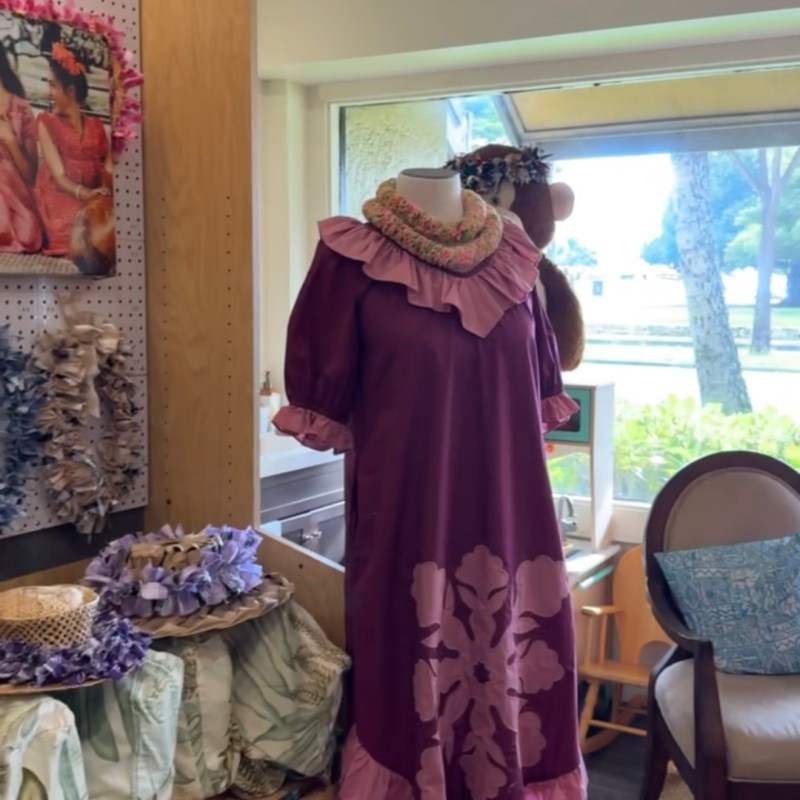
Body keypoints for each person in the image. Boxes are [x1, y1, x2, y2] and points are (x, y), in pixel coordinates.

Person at [34, 41, 112, 266]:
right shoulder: (46, 122)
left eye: (53, 86)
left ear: (70, 91)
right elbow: (58, 176)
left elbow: (107, 165)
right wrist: (89, 194)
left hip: (92, 195)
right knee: (82, 229)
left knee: (103, 224)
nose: (49, 93)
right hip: (59, 197)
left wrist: (104, 188)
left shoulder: (96, 126)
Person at [0, 41, 42, 253]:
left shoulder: (21, 109)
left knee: (27, 232)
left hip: (16, 198)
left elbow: (32, 176)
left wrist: (9, 142)